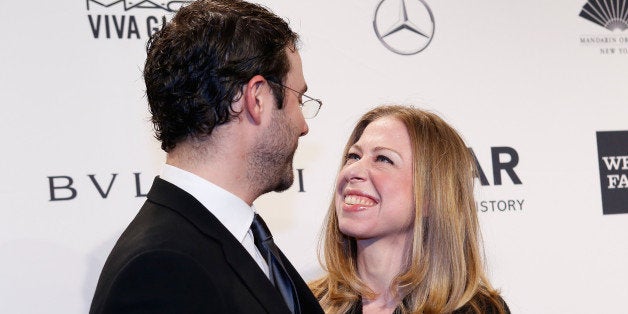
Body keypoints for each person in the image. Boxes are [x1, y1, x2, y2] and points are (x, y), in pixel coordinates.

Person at [89, 0, 324, 313]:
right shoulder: (161, 271)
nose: (303, 125)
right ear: (256, 99)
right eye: (299, 99)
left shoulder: (239, 235)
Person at [309, 105, 509, 314]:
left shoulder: (477, 310)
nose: (352, 170)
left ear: (431, 196)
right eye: (354, 156)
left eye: (383, 159)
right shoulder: (305, 303)